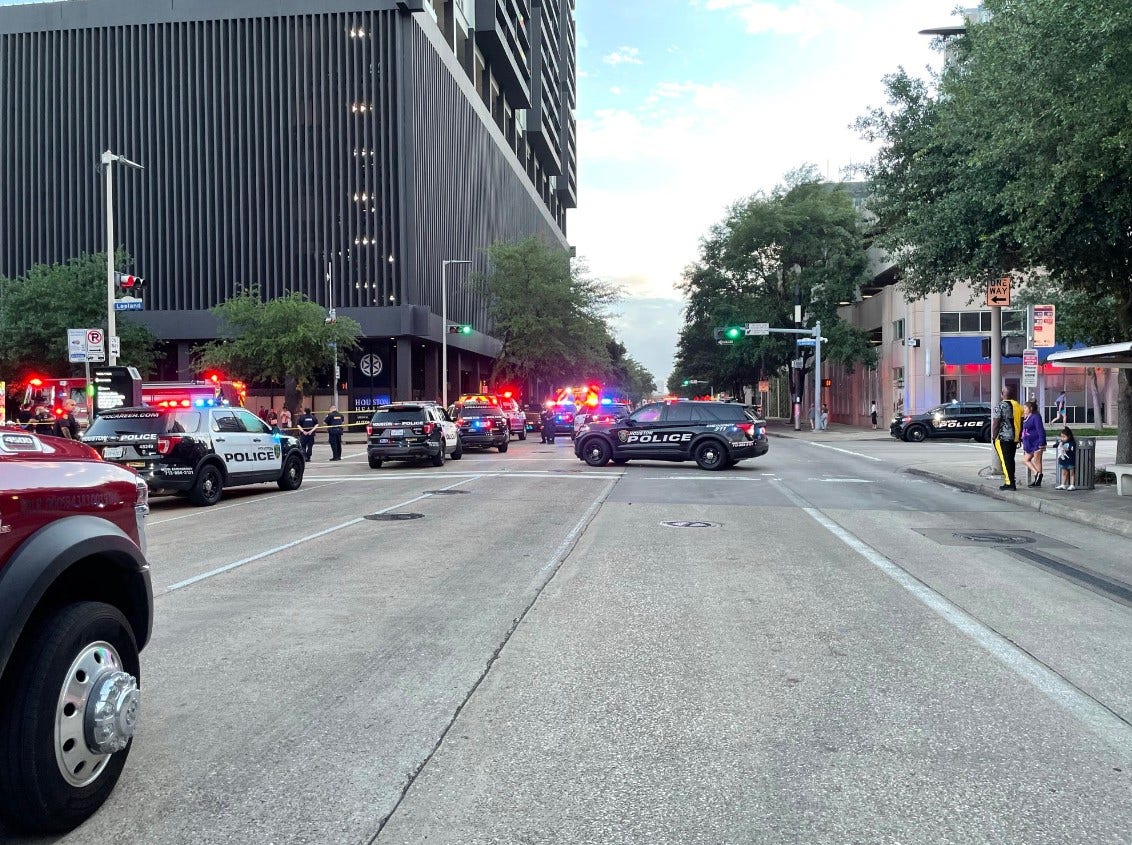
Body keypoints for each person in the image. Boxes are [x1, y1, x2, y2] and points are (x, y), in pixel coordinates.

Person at [991, 386, 1022, 491]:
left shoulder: (1000, 406)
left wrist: (993, 436)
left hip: (1003, 437)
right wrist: (1019, 437)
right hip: (1015, 438)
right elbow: (1021, 422)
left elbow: (996, 423)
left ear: (1002, 394)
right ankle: (1011, 481)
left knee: (1005, 461)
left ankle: (1009, 483)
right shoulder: (1018, 406)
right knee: (1011, 460)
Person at [1021, 400, 1047, 487]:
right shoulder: (1027, 417)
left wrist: (1041, 442)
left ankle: (1037, 480)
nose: (1024, 409)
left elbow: (1040, 429)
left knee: (1037, 461)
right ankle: (1037, 474)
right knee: (1025, 460)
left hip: (1037, 442)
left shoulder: (1036, 417)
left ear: (1030, 408)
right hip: (1030, 443)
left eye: (1025, 408)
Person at [1055, 427, 1077, 491]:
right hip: (1063, 460)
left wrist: (1062, 446)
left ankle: (1072, 485)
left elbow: (1069, 449)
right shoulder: (1062, 442)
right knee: (1064, 473)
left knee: (1071, 473)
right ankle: (1063, 484)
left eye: (1064, 437)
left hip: (1070, 460)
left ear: (1069, 436)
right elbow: (1055, 445)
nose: (1062, 438)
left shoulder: (1072, 443)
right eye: (1061, 437)